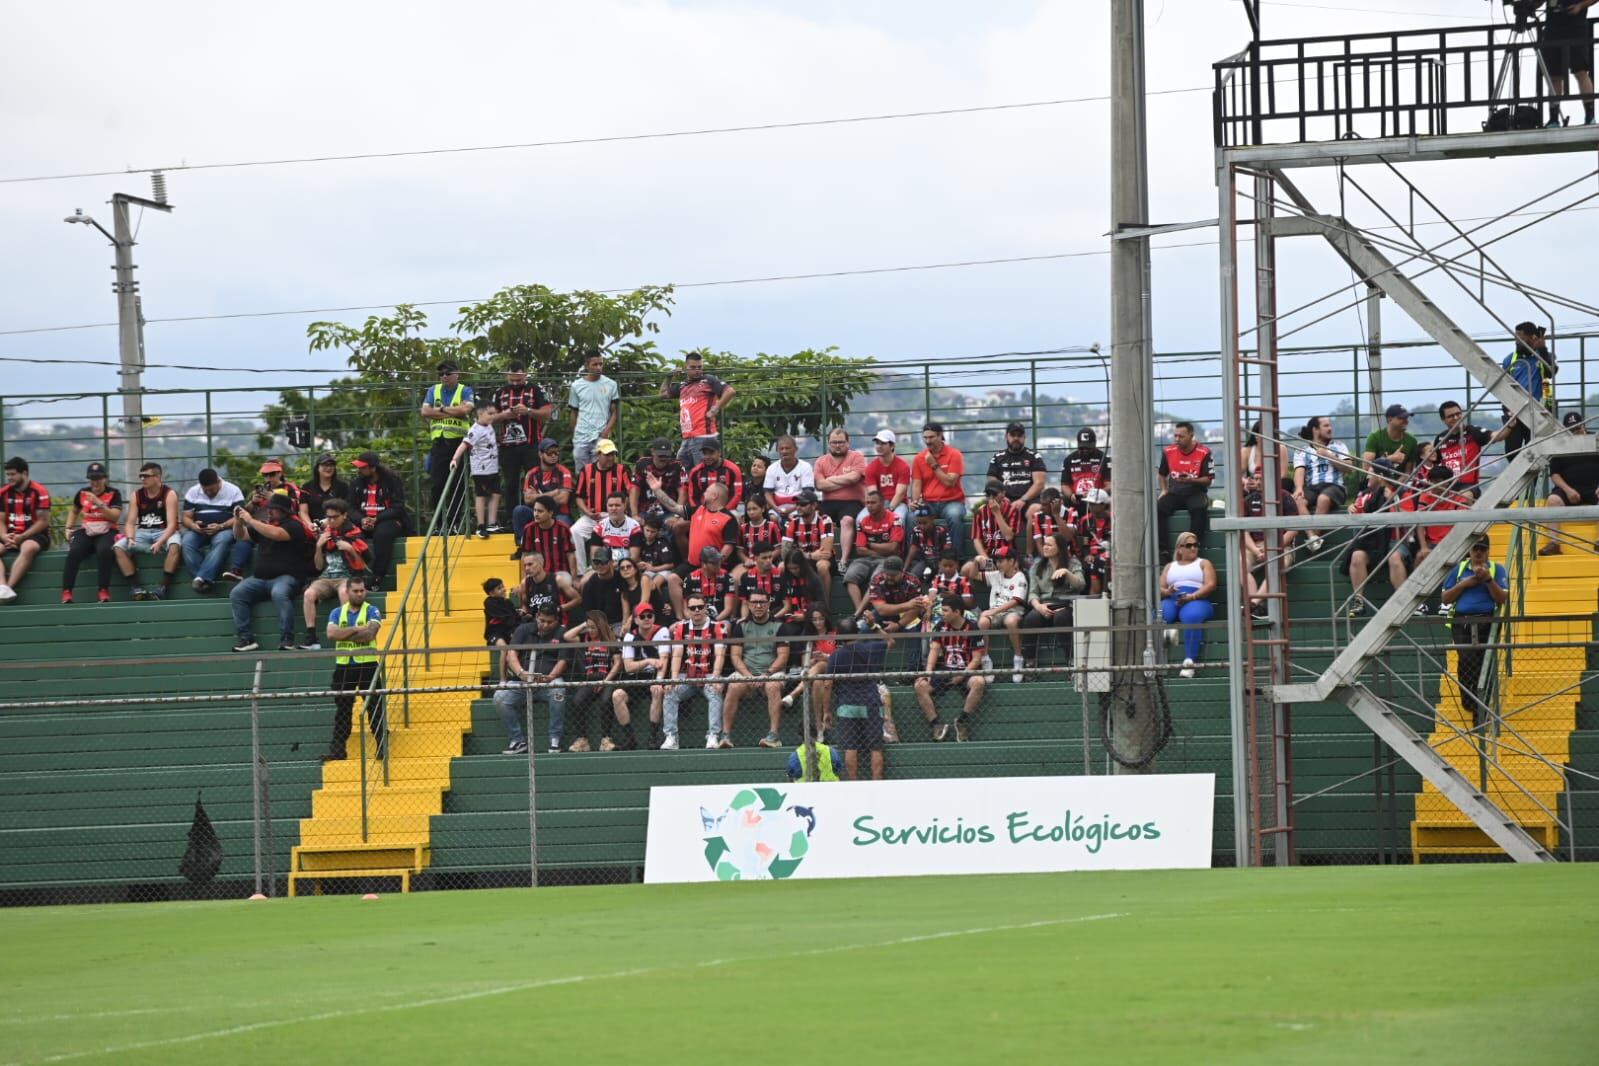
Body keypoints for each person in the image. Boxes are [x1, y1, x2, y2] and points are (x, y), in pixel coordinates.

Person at [229, 491, 314, 652]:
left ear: (284, 510)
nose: (269, 511)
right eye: (269, 508)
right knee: (237, 593)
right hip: (260, 578)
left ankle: (287, 639)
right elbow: (242, 536)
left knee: (279, 593)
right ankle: (246, 639)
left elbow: (276, 534)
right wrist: (238, 521)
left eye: (273, 508)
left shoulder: (294, 525)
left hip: (288, 577)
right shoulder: (266, 525)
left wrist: (251, 520)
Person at [1441, 535, 1509, 727]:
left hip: (1487, 620)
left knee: (1485, 666)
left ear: (1488, 551)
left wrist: (1488, 580)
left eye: (1482, 549)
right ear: (1469, 551)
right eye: (1475, 549)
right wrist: (1464, 584)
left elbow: (1502, 598)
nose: (1478, 553)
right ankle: (1470, 701)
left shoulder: (1497, 569)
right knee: (1467, 661)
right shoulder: (1460, 569)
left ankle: (1481, 712)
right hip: (1462, 622)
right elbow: (1445, 598)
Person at [322, 573, 386, 762]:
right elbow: (331, 634)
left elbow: (370, 635)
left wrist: (345, 634)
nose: (359, 594)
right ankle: (338, 751)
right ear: (347, 592)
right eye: (355, 591)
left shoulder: (372, 610)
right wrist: (357, 629)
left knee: (374, 708)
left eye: (362, 590)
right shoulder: (337, 612)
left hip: (367, 665)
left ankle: (382, 747)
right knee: (342, 710)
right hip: (344, 668)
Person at [721, 589, 792, 748]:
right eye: (754, 602)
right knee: (733, 686)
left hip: (772, 673)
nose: (758, 605)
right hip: (746, 673)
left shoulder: (780, 626)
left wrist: (766, 674)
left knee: (773, 686)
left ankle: (774, 736)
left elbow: (783, 656)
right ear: (748, 604)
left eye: (762, 602)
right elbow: (735, 656)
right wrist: (749, 676)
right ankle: (725, 736)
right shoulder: (741, 626)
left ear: (768, 604)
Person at [495, 605, 570, 755]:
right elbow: (511, 655)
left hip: (548, 682)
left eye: (550, 622)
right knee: (500, 697)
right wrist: (521, 673)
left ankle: (555, 741)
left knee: (559, 690)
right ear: (536, 617)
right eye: (542, 620)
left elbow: (563, 661)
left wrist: (550, 677)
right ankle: (518, 741)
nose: (545, 625)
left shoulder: (563, 633)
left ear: (556, 620)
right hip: (523, 682)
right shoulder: (523, 630)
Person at [298, 498, 371, 649]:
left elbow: (363, 565)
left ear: (344, 515)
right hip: (326, 578)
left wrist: (350, 549)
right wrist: (318, 547)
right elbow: (318, 566)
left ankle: (350, 634)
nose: (331, 520)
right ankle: (312, 638)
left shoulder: (354, 533)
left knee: (345, 592)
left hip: (347, 577)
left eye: (335, 517)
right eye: (328, 517)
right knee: (308, 594)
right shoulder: (325, 535)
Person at [1341, 463, 1410, 617]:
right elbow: (1358, 515)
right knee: (1357, 556)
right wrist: (1351, 509)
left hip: (1394, 540)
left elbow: (1409, 519)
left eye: (1370, 473)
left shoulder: (1401, 492)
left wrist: (1394, 502)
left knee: (1394, 556)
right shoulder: (1365, 495)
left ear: (1380, 476)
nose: (1366, 476)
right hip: (1372, 542)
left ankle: (1406, 602)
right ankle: (1358, 601)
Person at [661, 594, 728, 750]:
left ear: (706, 608)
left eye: (700, 607)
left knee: (715, 692)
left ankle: (713, 735)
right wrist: (674, 678)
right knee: (670, 693)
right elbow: (677, 655)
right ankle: (671, 737)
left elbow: (720, 655)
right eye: (692, 608)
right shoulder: (680, 628)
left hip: (709, 674)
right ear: (687, 610)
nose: (697, 610)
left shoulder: (718, 627)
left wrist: (716, 678)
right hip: (687, 676)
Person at [915, 599, 987, 742]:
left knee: (979, 682)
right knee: (920, 686)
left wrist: (962, 675)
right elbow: (934, 650)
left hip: (966, 670)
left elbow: (977, 659)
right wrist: (928, 672)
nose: (942, 614)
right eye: (942, 610)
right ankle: (936, 725)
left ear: (957, 612)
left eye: (946, 610)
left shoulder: (973, 628)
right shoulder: (941, 627)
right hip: (946, 670)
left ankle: (961, 721)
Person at [490, 361, 553, 518]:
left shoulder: (535, 389)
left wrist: (528, 411)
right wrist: (504, 415)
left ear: (525, 374)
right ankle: (512, 520)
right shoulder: (500, 393)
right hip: (507, 446)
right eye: (512, 380)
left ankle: (533, 518)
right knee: (510, 484)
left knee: (532, 483)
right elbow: (488, 418)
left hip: (531, 445)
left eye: (518, 380)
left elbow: (547, 413)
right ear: (507, 376)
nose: (515, 383)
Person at [114, 461, 181, 601]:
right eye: (141, 476)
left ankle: (163, 588)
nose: (142, 479)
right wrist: (131, 537)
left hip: (164, 532)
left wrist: (160, 542)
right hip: (143, 533)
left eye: (146, 476)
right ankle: (136, 588)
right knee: (118, 547)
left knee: (175, 545)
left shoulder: (169, 494)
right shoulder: (137, 495)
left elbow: (172, 525)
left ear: (157, 477)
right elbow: (130, 522)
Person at [825, 633, 890, 779]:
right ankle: (877, 784)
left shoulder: (835, 656)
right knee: (876, 748)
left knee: (850, 747)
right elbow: (890, 641)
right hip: (871, 703)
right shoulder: (871, 648)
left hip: (847, 705)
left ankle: (853, 785)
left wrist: (826, 711)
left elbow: (828, 684)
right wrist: (874, 626)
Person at [420, 360, 475, 532]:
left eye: (448, 373)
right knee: (437, 486)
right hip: (439, 444)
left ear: (457, 374)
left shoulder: (464, 390)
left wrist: (440, 411)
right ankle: (440, 525)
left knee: (457, 486)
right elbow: (425, 412)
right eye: (441, 374)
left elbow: (465, 410)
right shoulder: (433, 390)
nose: (444, 376)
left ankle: (455, 523)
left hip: (459, 444)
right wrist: (451, 410)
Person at [561, 611, 625, 752]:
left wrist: (605, 682)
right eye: (588, 627)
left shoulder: (611, 640)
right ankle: (582, 740)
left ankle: (606, 740)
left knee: (606, 700)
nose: (590, 630)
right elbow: (567, 636)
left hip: (606, 678)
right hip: (590, 679)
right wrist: (586, 623)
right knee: (577, 701)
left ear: (601, 627)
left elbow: (618, 663)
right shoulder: (585, 639)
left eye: (593, 628)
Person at [60, 462, 123, 605]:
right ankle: (67, 591)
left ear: (105, 479)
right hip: (87, 529)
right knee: (74, 550)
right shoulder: (82, 493)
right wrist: (68, 528)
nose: (95, 482)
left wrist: (98, 502)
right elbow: (75, 510)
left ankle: (103, 590)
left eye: (98, 479)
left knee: (104, 550)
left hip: (107, 529)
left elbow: (114, 516)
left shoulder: (113, 493)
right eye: (92, 479)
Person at [1240, 470, 1299, 617]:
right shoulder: (1248, 499)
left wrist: (1272, 548)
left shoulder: (1285, 497)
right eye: (1256, 479)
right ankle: (1256, 608)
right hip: (1255, 545)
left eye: (1262, 478)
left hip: (1281, 545)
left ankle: (1253, 603)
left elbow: (1294, 529)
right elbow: (1243, 531)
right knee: (1239, 564)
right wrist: (1255, 550)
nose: (1258, 482)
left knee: (1278, 564)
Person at [1021, 532, 1085, 667]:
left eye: (1049, 545)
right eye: (1044, 544)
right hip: (1044, 604)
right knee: (1030, 619)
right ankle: (1030, 662)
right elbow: (1033, 593)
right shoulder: (1037, 567)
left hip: (1066, 604)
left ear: (1060, 548)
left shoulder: (1073, 563)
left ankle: (1072, 660)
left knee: (1061, 618)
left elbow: (1080, 584)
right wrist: (1039, 607)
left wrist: (1067, 573)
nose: (1045, 547)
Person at [1293, 415, 1355, 554]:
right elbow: (1299, 471)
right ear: (1315, 430)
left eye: (1330, 425)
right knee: (1298, 500)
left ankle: (1313, 539)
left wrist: (1328, 455)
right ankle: (1312, 537)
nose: (1330, 428)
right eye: (1326, 426)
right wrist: (1298, 488)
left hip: (1335, 487)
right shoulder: (1302, 450)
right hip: (1312, 487)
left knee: (1323, 499)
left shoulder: (1339, 446)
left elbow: (1349, 467)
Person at [1539, 411, 1599, 554]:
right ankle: (1554, 543)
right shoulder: (1560, 444)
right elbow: (1554, 474)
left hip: (1594, 488)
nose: (1575, 432)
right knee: (1552, 500)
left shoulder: (1596, 440)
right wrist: (1567, 490)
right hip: (1569, 489)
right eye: (1571, 430)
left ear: (1584, 426)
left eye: (1578, 428)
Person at [661, 350, 735, 467]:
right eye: (693, 367)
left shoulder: (708, 380)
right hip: (686, 437)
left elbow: (730, 391)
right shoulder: (682, 385)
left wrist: (715, 409)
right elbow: (663, 394)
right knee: (680, 471)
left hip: (703, 436)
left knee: (702, 473)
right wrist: (669, 377)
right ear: (685, 367)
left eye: (700, 367)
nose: (697, 370)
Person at [345, 451, 408, 587]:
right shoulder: (356, 483)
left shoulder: (392, 481)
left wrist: (377, 519)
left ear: (373, 468)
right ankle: (354, 577)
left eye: (363, 467)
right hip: (363, 520)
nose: (359, 470)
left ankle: (377, 577)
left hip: (387, 520)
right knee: (350, 533)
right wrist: (361, 519)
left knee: (383, 534)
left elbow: (398, 507)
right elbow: (349, 507)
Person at [1160, 532, 1217, 679]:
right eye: (1188, 545)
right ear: (1179, 548)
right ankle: (1159, 655)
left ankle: (1189, 661)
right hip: (1173, 598)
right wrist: (1167, 591)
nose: (1193, 548)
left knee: (1193, 615)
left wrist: (1193, 596)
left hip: (1197, 599)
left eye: (1195, 545)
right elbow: (1160, 588)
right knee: (1163, 612)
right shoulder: (1169, 566)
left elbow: (1211, 585)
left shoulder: (1203, 563)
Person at [569, 439, 633, 570]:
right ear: (598, 455)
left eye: (613, 454)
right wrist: (588, 513)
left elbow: (630, 493)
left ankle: (617, 567)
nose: (611, 458)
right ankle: (581, 571)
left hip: (615, 516)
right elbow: (578, 497)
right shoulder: (586, 470)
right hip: (593, 516)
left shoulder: (621, 470)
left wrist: (623, 511)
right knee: (575, 531)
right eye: (607, 454)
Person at [1157, 422, 1214, 561]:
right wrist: (1164, 490)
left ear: (1191, 435)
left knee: (1199, 508)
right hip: (1175, 492)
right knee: (1158, 508)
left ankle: (1192, 550)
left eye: (1181, 436)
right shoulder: (1168, 451)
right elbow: (1161, 474)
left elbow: (1208, 479)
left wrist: (1191, 480)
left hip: (1195, 492)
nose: (1177, 439)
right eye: (1175, 435)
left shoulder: (1204, 452)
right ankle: (1162, 550)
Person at [182, 468, 245, 593]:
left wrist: (221, 526)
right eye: (205, 490)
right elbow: (185, 517)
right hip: (200, 530)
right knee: (187, 542)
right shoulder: (193, 492)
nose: (208, 493)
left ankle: (200, 578)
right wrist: (194, 525)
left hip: (224, 528)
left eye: (211, 489)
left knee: (222, 541)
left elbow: (240, 516)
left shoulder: (233, 491)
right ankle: (204, 579)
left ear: (218, 482)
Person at [910, 422, 967, 556]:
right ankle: (916, 559)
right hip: (928, 502)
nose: (927, 441)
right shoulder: (919, 459)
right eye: (925, 438)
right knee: (911, 517)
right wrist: (914, 501)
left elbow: (950, 482)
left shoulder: (954, 455)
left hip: (952, 501)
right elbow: (916, 484)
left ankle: (956, 558)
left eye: (931, 437)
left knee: (954, 516)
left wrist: (933, 464)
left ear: (940, 436)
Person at [1502, 322, 1558, 456]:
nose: (1516, 341)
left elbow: (1551, 372)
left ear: (1532, 337)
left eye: (1520, 337)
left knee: (1535, 452)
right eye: (1516, 337)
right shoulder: (1510, 359)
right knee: (1511, 451)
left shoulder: (1545, 356)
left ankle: (1531, 477)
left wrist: (1542, 349)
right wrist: (1506, 409)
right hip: (1515, 411)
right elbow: (1503, 386)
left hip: (1539, 411)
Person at [845, 487, 905, 612]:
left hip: (888, 560)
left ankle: (857, 614)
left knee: (875, 579)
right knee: (850, 577)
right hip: (866, 559)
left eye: (873, 503)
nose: (869, 506)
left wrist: (870, 545)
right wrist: (880, 549)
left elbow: (893, 548)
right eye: (867, 503)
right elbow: (860, 549)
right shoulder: (863, 521)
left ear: (882, 503)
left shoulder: (895, 519)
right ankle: (860, 612)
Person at [619, 603, 669, 749]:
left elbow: (663, 660)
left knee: (657, 690)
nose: (647, 619)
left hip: (654, 675)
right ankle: (630, 739)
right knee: (617, 696)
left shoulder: (662, 631)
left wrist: (659, 681)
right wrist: (647, 661)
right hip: (636, 677)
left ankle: (653, 737)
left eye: (650, 615)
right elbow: (628, 667)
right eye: (642, 616)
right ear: (635, 620)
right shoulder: (630, 637)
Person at [0, 457, 51, 602]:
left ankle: (8, 588)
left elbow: (43, 521)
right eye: (8, 474)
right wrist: (4, 536)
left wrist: (22, 536)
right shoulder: (3, 493)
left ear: (24, 473)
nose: (10, 478)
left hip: (33, 534)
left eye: (13, 474)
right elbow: (0, 520)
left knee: (28, 548)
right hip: (10, 534)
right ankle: (2, 586)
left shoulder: (40, 491)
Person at [976, 545, 1029, 683]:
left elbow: (1015, 601)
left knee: (1011, 621)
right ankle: (985, 660)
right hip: (995, 613)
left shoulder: (1020, 577)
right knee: (982, 622)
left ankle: (1018, 659)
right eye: (996, 561)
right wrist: (977, 561)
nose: (998, 563)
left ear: (1011, 561)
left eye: (1001, 560)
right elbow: (969, 573)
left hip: (1012, 612)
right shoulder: (995, 575)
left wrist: (993, 611)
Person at [1434, 400, 1508, 498]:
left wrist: (1510, 424)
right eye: (1451, 416)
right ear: (1443, 420)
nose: (1456, 418)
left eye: (1458, 414)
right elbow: (1434, 464)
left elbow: (1498, 436)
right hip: (1445, 486)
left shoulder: (1473, 432)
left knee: (1464, 496)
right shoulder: (1440, 438)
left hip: (1468, 487)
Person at [450, 401, 503, 538]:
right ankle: (480, 525)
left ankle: (491, 523)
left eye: (494, 413)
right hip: (481, 470)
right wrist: (455, 459)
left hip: (492, 469)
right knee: (481, 496)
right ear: (480, 414)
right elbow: (464, 444)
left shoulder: (489, 426)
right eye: (490, 414)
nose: (493, 416)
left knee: (496, 493)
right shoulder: (475, 430)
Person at [1540, 0, 1596, 127]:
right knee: (1554, 76)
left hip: (1575, 26)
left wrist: (1580, 6)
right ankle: (1554, 119)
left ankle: (1590, 116)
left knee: (1581, 71)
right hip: (1553, 29)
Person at [812, 429, 865, 565]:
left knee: (847, 520)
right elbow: (819, 485)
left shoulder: (856, 457)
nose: (837, 445)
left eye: (841, 442)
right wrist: (844, 481)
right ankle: (820, 555)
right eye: (834, 442)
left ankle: (843, 560)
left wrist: (830, 479)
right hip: (828, 502)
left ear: (848, 442)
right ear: (829, 443)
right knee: (815, 519)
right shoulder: (821, 461)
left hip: (853, 502)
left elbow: (854, 478)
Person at [511, 438, 577, 541]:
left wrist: (536, 496)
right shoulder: (531, 474)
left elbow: (563, 499)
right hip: (537, 513)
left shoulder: (564, 472)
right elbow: (527, 500)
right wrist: (552, 493)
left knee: (563, 521)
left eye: (556, 452)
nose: (554, 456)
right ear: (540, 454)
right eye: (550, 452)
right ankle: (522, 544)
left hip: (559, 514)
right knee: (519, 511)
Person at [987, 421, 1047, 533]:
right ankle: (998, 547)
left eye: (1019, 436)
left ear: (1024, 437)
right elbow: (991, 482)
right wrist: (1002, 498)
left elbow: (1039, 484)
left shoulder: (1034, 456)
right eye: (1013, 435)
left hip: (1029, 500)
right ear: (1006, 436)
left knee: (1035, 511)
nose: (1016, 438)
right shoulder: (997, 458)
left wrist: (1023, 500)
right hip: (1005, 499)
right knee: (993, 507)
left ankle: (1029, 551)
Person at [566, 350, 620, 469]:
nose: (598, 367)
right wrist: (575, 433)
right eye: (595, 365)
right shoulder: (576, 386)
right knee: (581, 472)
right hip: (581, 435)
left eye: (601, 364)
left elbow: (615, 412)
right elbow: (573, 412)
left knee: (601, 469)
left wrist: (607, 431)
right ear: (587, 366)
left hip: (600, 434)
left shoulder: (611, 384)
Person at [963, 478, 1022, 581]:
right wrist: (986, 559)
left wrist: (997, 513)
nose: (991, 498)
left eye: (994, 494)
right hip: (989, 556)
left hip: (1007, 556)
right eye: (988, 495)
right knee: (965, 570)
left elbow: (1009, 536)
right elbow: (977, 539)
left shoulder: (1012, 511)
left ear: (1003, 493)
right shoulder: (980, 512)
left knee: (1011, 571)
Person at [783, 488, 836, 588]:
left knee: (822, 566)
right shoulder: (791, 520)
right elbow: (785, 553)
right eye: (797, 504)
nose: (798, 507)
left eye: (803, 504)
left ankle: (824, 603)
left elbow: (826, 554)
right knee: (782, 566)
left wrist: (802, 554)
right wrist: (809, 555)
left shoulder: (825, 520)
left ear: (814, 505)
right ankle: (790, 601)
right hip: (801, 560)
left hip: (823, 561)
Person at [859, 555, 925, 634]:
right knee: (864, 628)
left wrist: (898, 625)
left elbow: (916, 609)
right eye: (887, 574)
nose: (889, 577)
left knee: (914, 630)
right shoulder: (877, 580)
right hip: (884, 614)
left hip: (906, 614)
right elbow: (881, 610)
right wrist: (908, 605)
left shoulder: (913, 581)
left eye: (893, 575)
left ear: (902, 572)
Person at [863, 428, 912, 531]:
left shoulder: (903, 466)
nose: (879, 446)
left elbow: (900, 494)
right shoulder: (871, 467)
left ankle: (899, 546)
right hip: (878, 503)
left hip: (898, 503)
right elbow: (873, 494)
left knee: (899, 519)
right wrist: (878, 510)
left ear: (892, 446)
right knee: (860, 519)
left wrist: (888, 511)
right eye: (877, 443)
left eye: (883, 443)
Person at [517, 496, 578, 577]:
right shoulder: (528, 529)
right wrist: (523, 580)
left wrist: (574, 579)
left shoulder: (563, 529)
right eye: (534, 510)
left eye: (540, 511)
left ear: (550, 513)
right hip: (537, 573)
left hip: (560, 573)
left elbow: (571, 555)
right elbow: (524, 555)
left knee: (562, 581)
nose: (536, 514)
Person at [686, 483, 739, 574]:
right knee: (673, 578)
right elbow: (674, 508)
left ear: (714, 496)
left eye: (707, 491)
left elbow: (728, 547)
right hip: (692, 565)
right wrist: (657, 490)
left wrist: (714, 564)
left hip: (714, 566)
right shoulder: (698, 509)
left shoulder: (728, 518)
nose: (704, 493)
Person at [632, 438, 688, 524]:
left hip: (669, 511)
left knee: (673, 525)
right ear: (652, 452)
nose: (663, 458)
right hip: (645, 510)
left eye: (666, 455)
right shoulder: (642, 464)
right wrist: (635, 515)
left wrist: (677, 516)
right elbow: (634, 490)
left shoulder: (677, 466)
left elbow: (683, 491)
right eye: (660, 455)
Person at [763, 436, 814, 521]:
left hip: (798, 506)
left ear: (795, 449)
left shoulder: (805, 467)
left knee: (794, 519)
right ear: (777, 451)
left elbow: (807, 492)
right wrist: (776, 509)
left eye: (787, 448)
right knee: (772, 518)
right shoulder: (772, 468)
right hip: (777, 507)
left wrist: (794, 508)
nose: (784, 451)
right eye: (781, 449)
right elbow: (767, 494)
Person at [734, 539, 786, 621]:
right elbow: (745, 603)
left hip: (775, 617)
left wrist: (770, 618)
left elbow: (786, 606)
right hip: (754, 618)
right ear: (756, 558)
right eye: (764, 558)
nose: (768, 561)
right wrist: (744, 618)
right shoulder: (746, 577)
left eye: (770, 557)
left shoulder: (781, 576)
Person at [579, 545, 629, 628]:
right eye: (596, 562)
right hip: (599, 625)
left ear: (612, 562)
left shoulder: (621, 578)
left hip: (620, 623)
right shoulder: (590, 584)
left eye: (603, 562)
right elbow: (588, 612)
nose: (599, 565)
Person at [734, 494, 784, 575]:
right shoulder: (743, 528)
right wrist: (746, 560)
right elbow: (739, 550)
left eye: (754, 509)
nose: (751, 512)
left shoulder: (772, 526)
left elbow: (778, 549)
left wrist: (765, 559)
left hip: (768, 563)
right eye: (749, 509)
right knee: (736, 576)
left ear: (763, 509)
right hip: (749, 564)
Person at [298, 453, 348, 530]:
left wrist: (329, 523)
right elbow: (303, 512)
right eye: (324, 465)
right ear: (318, 468)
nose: (328, 468)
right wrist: (309, 524)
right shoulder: (307, 487)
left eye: (331, 465)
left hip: (336, 527)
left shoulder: (343, 487)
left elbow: (346, 511)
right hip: (313, 528)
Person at [1077, 489, 1113, 596]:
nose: (1091, 506)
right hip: (1091, 555)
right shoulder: (1085, 520)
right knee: (1085, 567)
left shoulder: (1114, 518)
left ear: (1103, 505)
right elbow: (1084, 542)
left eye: (1094, 504)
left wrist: (1098, 556)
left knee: (1099, 564)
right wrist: (1087, 554)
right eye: (1090, 503)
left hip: (1108, 555)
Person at [685, 546, 736, 621]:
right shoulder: (690, 578)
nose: (718, 564)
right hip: (696, 620)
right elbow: (685, 609)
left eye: (718, 560)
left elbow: (728, 609)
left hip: (720, 619)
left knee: (724, 628)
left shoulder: (726, 577)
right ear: (704, 564)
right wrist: (697, 622)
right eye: (714, 562)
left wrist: (713, 623)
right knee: (673, 629)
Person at [1061, 427, 1110, 503]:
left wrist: (1095, 495)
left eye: (1088, 448)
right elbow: (1064, 485)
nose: (1085, 450)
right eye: (1082, 448)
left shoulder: (1105, 459)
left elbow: (1110, 486)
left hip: (1097, 501)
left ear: (1094, 444)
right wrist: (1071, 496)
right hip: (1075, 500)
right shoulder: (1069, 460)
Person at [904, 503, 950, 584]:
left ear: (932, 519)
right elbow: (913, 549)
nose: (922, 526)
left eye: (925, 523)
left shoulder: (941, 530)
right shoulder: (917, 531)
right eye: (919, 523)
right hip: (925, 561)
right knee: (913, 576)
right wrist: (904, 568)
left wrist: (942, 566)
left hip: (940, 561)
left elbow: (947, 551)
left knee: (941, 577)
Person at [1028, 488, 1075, 562]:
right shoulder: (1037, 516)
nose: (1042, 508)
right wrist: (1048, 561)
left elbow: (1068, 538)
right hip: (1046, 557)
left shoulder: (1070, 513)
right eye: (1041, 504)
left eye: (1045, 505)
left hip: (1068, 556)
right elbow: (1039, 543)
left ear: (1057, 503)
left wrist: (1056, 515)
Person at [926, 548, 977, 613]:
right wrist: (929, 607)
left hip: (958, 612)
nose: (947, 569)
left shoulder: (963, 580)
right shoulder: (937, 579)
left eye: (951, 566)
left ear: (957, 564)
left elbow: (969, 604)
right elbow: (931, 598)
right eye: (945, 566)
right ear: (939, 565)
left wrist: (955, 597)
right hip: (940, 610)